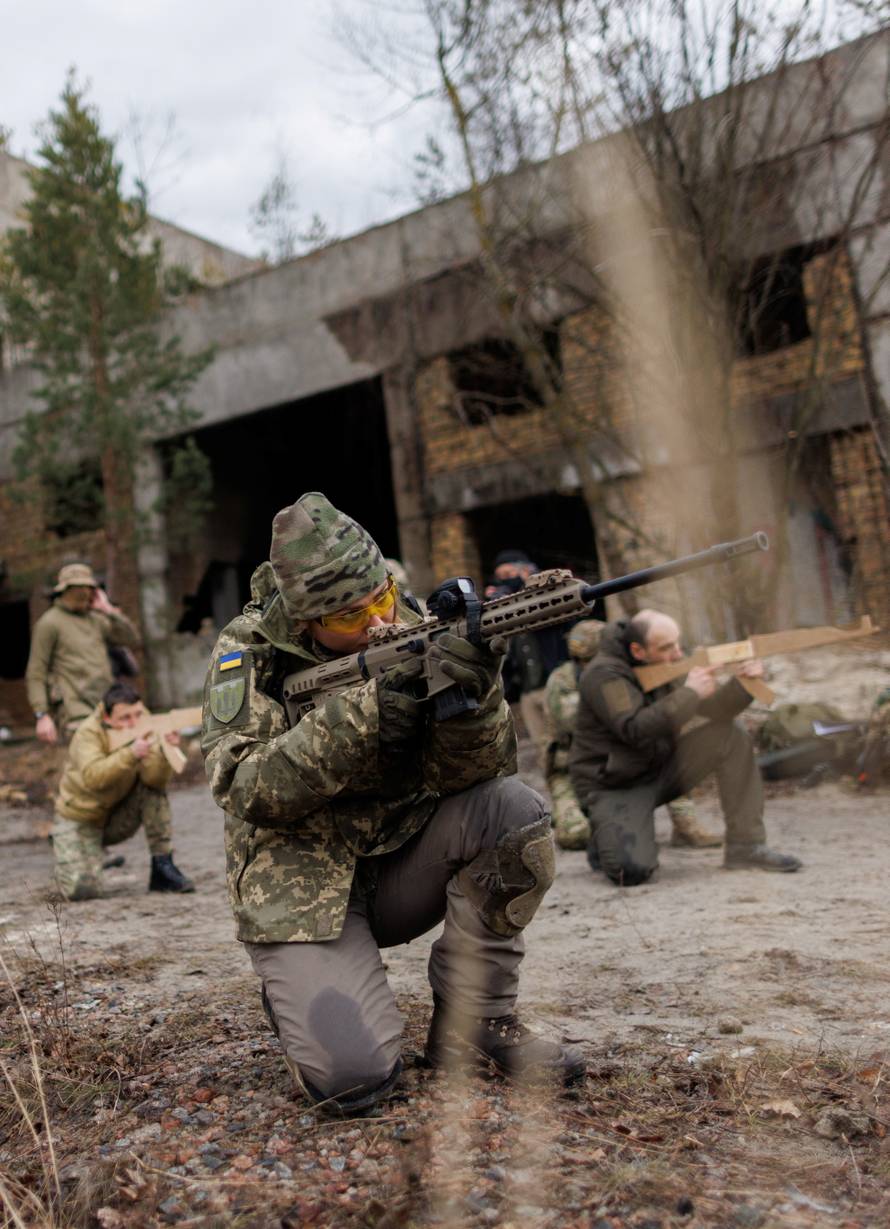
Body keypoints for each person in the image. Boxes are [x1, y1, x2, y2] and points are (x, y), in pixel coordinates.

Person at [201, 492, 583, 1115]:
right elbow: (245, 786)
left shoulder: (415, 623)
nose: (380, 624)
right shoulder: (248, 652)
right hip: (302, 894)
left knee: (511, 811)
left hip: (403, 863)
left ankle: (476, 1022)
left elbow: (477, 774)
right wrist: (364, 713)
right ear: (306, 624)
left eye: (382, 597)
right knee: (357, 1082)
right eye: (352, 618)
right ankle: (296, 985)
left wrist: (475, 692)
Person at [569, 609, 802, 885]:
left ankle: (746, 846)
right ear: (638, 650)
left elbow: (714, 711)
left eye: (677, 643)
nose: (678, 653)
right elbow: (634, 729)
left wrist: (744, 684)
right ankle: (605, 833)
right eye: (667, 647)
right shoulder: (602, 675)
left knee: (730, 735)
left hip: (658, 768)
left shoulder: (669, 662)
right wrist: (690, 691)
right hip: (614, 783)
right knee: (630, 872)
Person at [546, 620, 720, 852]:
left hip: (624, 756)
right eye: (587, 660)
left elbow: (651, 719)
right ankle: (605, 836)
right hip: (573, 767)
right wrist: (608, 701)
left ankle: (685, 826)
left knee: (667, 750)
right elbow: (570, 722)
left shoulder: (629, 672)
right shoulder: (562, 680)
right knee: (576, 835)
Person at [52, 682, 195, 901]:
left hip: (116, 817)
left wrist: (166, 751)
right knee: (83, 891)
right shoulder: (88, 733)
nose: (134, 723)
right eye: (125, 719)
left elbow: (154, 780)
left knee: (152, 792)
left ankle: (162, 865)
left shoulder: (142, 720)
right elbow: (93, 777)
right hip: (81, 819)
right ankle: (74, 848)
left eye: (137, 714)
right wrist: (131, 753)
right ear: (107, 718)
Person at [26, 563, 140, 744]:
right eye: (77, 587)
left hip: (107, 704)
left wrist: (107, 609)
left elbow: (130, 638)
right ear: (64, 590)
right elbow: (36, 671)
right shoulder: (49, 623)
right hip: (74, 709)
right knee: (88, 763)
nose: (83, 592)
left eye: (88, 587)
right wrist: (42, 714)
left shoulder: (96, 619)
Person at [486, 549, 569, 774]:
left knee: (569, 740)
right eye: (500, 576)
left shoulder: (542, 596)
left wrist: (527, 587)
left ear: (525, 571)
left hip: (553, 682)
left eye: (509, 573)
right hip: (527, 691)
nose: (505, 580)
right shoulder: (503, 606)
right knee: (546, 751)